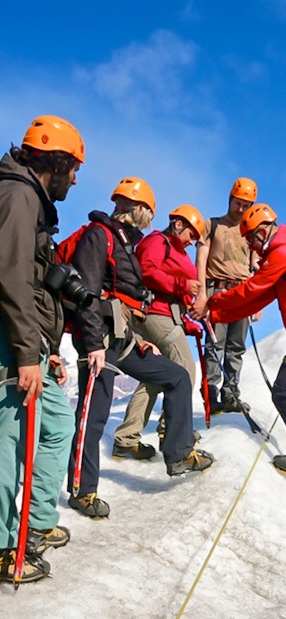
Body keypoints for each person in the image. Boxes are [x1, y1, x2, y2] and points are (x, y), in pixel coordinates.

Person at [0, 115, 84, 583]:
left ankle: (31, 524)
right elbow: (10, 275)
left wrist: (43, 346)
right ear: (54, 163)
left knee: (56, 421)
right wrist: (26, 353)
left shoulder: (27, 197)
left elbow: (29, 286)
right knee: (14, 426)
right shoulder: (17, 195)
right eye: (72, 168)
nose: (75, 179)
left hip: (20, 331)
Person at [66, 178, 215, 519]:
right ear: (138, 209)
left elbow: (124, 296)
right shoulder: (98, 235)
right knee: (93, 416)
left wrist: (137, 335)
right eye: (149, 211)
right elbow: (87, 292)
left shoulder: (124, 244)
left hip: (124, 337)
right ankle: (83, 491)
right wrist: (92, 345)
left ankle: (178, 454)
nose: (150, 219)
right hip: (101, 340)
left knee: (177, 376)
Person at [190, 203, 286, 468]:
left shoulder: (281, 254)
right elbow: (255, 301)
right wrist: (217, 315)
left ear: (264, 230)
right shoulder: (278, 255)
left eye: (251, 238)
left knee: (283, 393)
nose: (251, 246)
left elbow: (250, 291)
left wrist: (212, 305)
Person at [113, 205, 205, 460]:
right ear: (178, 224)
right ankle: (174, 432)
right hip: (154, 314)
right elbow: (147, 270)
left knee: (157, 375)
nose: (192, 241)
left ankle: (126, 438)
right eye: (191, 234)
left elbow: (174, 290)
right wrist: (183, 284)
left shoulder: (178, 251)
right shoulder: (157, 241)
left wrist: (186, 319)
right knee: (185, 368)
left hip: (165, 315)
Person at [195, 177, 259, 415]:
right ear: (230, 199)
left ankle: (231, 394)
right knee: (214, 343)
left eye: (246, 205)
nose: (241, 209)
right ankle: (210, 392)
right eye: (238, 203)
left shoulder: (251, 231)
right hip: (217, 290)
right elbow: (201, 260)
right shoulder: (212, 225)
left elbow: (255, 264)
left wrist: (257, 303)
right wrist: (201, 293)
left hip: (243, 292)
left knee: (236, 346)